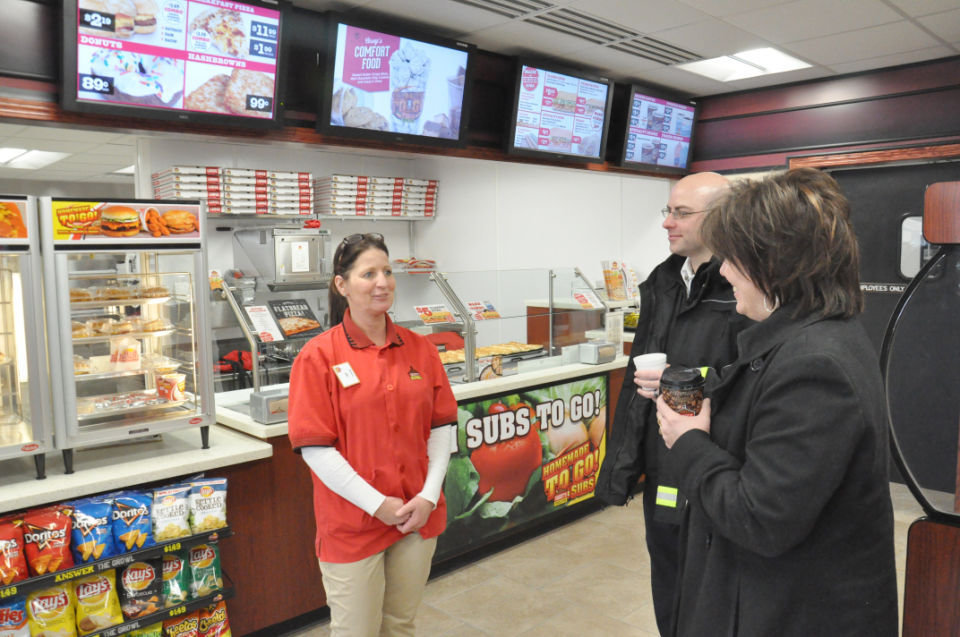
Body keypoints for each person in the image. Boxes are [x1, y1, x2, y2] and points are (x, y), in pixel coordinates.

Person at [657, 168, 898, 636]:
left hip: (794, 610)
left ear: (776, 263)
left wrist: (688, 442)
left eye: (733, 259)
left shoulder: (815, 365)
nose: (723, 272)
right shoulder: (810, 335)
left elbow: (758, 517)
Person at [595, 172, 751, 635]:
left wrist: (683, 380)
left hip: (719, 464)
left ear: (722, 217)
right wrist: (621, 470)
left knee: (714, 587)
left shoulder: (743, 286)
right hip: (664, 463)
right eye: (668, 211)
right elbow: (635, 387)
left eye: (681, 213)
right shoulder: (662, 282)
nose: (667, 222)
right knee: (668, 575)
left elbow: (751, 378)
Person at [287, 232, 457, 637]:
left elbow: (442, 427)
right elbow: (315, 447)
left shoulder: (421, 349)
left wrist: (429, 495)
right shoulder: (318, 356)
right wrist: (376, 504)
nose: (382, 282)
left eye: (387, 271)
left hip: (416, 516)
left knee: (399, 625)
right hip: (352, 523)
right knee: (356, 631)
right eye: (368, 274)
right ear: (342, 285)